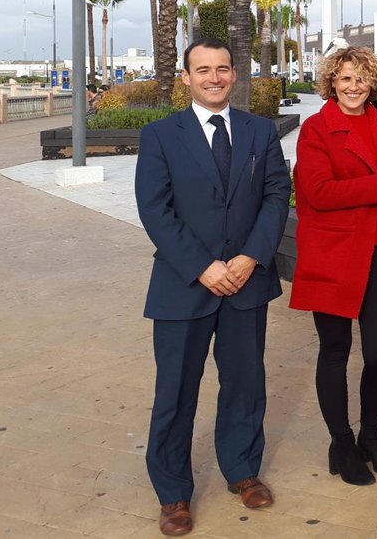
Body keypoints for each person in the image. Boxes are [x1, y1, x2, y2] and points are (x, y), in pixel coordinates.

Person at [134, 39, 291, 536]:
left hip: (247, 280)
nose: (214, 78)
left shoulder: (260, 131)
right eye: (203, 70)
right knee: (176, 391)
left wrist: (250, 256)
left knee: (245, 383)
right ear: (186, 77)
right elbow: (154, 209)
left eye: (222, 68)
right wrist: (203, 266)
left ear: (233, 74)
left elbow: (276, 194)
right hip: (184, 284)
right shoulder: (160, 135)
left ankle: (243, 471)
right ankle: (173, 494)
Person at [289, 46, 377, 486]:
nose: (354, 86)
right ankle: (341, 441)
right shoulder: (316, 129)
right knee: (335, 350)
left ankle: (371, 434)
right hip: (335, 251)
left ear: (374, 84)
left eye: (362, 78)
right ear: (332, 82)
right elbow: (318, 193)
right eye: (345, 78)